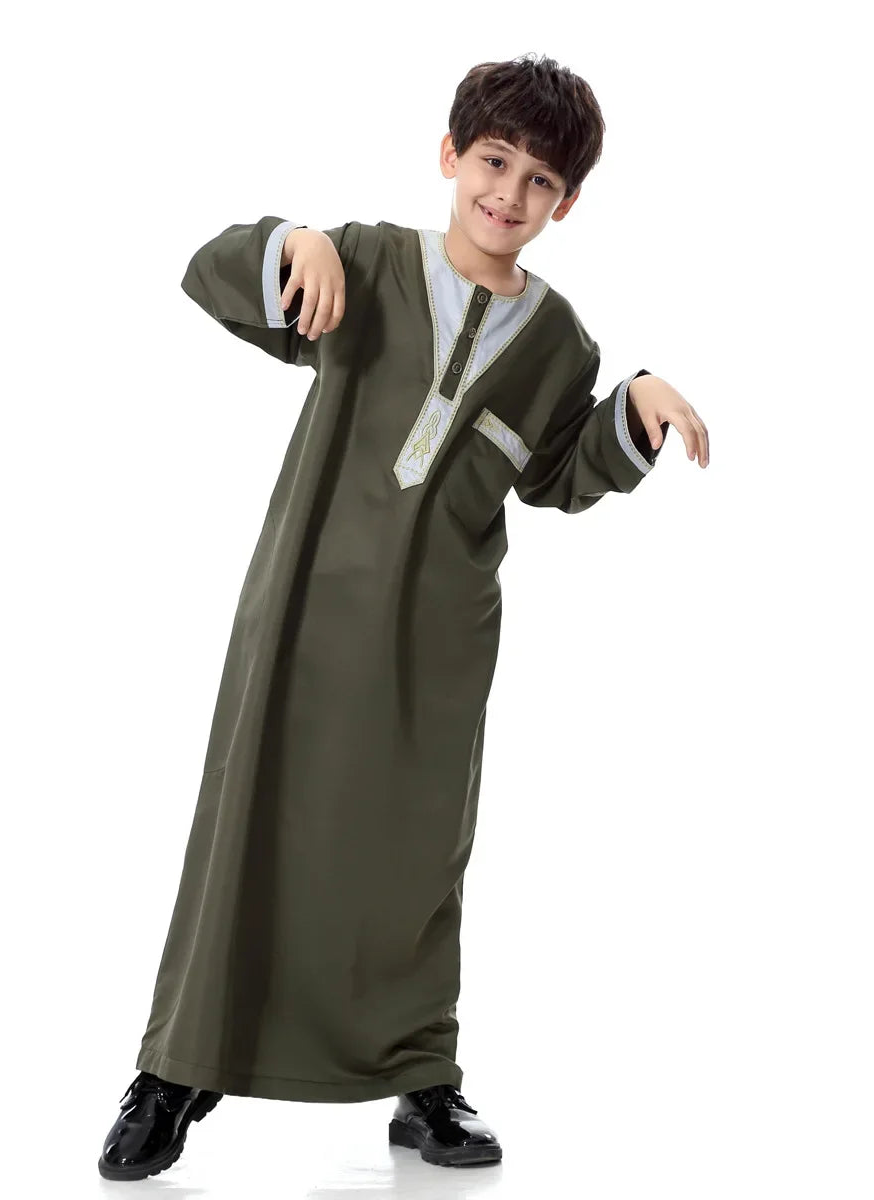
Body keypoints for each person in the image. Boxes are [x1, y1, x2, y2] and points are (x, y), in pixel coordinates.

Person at [98, 52, 709, 1180]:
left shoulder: (559, 344)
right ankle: (178, 1067)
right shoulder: (370, 263)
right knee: (251, 824)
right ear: (449, 156)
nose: (509, 193)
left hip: (438, 638)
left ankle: (421, 1076)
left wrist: (633, 406)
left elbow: (556, 475)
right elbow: (216, 272)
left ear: (567, 202)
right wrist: (296, 241)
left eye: (539, 179)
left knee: (417, 857)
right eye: (494, 161)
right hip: (303, 607)